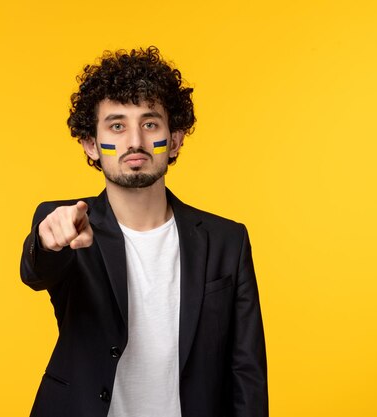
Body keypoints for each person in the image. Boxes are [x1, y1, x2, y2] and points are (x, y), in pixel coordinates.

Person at [20, 46, 268, 417]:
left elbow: (246, 372)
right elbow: (38, 271)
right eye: (116, 126)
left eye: (149, 123)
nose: (134, 141)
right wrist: (49, 241)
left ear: (176, 139)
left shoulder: (227, 241)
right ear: (91, 144)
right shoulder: (68, 225)